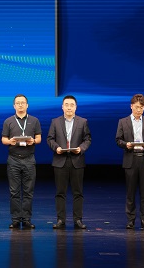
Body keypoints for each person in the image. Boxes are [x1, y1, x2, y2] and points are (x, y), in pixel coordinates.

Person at [47, 94, 92, 230]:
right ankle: (60, 220)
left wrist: (81, 148)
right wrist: (56, 148)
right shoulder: (55, 122)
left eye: (72, 105)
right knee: (60, 192)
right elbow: (50, 139)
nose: (69, 107)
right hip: (60, 160)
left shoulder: (83, 122)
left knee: (78, 192)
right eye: (66, 105)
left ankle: (78, 220)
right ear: (62, 107)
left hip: (77, 161)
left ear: (76, 107)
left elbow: (87, 139)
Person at [115, 94, 144, 230]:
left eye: (142, 107)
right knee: (130, 192)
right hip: (130, 158)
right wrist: (125, 144)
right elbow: (118, 140)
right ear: (131, 106)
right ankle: (130, 220)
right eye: (137, 107)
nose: (139, 110)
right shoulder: (123, 121)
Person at [1, 94, 42, 229]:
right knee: (14, 191)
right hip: (13, 159)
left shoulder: (34, 120)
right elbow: (3, 139)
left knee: (28, 191)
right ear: (14, 106)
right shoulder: (8, 121)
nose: (20, 105)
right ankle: (15, 219)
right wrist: (10, 141)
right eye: (18, 103)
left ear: (27, 105)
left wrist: (33, 141)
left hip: (29, 158)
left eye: (23, 103)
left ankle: (27, 219)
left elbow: (39, 138)